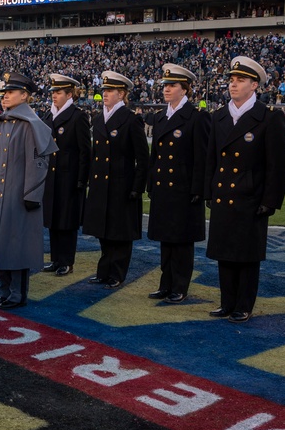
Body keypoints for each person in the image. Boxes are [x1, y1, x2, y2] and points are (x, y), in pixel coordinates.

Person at [204, 56, 285, 323]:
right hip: (223, 194)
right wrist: (209, 192)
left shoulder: (268, 118)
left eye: (240, 80)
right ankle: (227, 302)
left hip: (250, 197)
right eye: (231, 80)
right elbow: (212, 159)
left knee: (246, 255)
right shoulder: (219, 116)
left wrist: (270, 200)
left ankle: (244, 304)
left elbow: (278, 164)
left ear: (254, 85)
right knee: (224, 253)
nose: (233, 85)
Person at [0, 72, 57, 309]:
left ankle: (17, 293)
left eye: (10, 92)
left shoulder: (31, 125)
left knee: (16, 245)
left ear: (24, 96)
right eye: (4, 92)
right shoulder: (0, 122)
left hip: (19, 195)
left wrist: (32, 195)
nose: (4, 96)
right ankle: (3, 289)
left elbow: (38, 164)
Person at [146, 64, 210, 303]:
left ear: (185, 90)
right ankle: (166, 283)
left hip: (184, 190)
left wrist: (198, 189)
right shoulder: (162, 116)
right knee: (166, 239)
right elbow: (156, 155)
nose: (166, 89)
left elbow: (202, 157)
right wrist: (151, 182)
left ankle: (179, 286)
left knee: (181, 242)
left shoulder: (196, 117)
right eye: (165, 85)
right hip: (164, 187)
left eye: (172, 85)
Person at [83, 71, 149, 288]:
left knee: (119, 233)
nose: (105, 94)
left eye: (110, 91)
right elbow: (94, 154)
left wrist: (137, 187)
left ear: (121, 94)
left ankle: (117, 273)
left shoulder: (131, 120)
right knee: (103, 231)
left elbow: (142, 158)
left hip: (122, 185)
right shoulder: (99, 118)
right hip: (102, 185)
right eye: (104, 90)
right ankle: (104, 271)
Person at [40, 73, 90, 277]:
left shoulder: (78, 117)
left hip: (69, 177)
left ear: (70, 94)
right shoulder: (49, 116)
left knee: (67, 222)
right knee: (53, 219)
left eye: (58, 92)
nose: (54, 96)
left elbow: (85, 151)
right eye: (53, 92)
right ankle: (55, 259)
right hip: (51, 177)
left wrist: (81, 179)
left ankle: (66, 261)